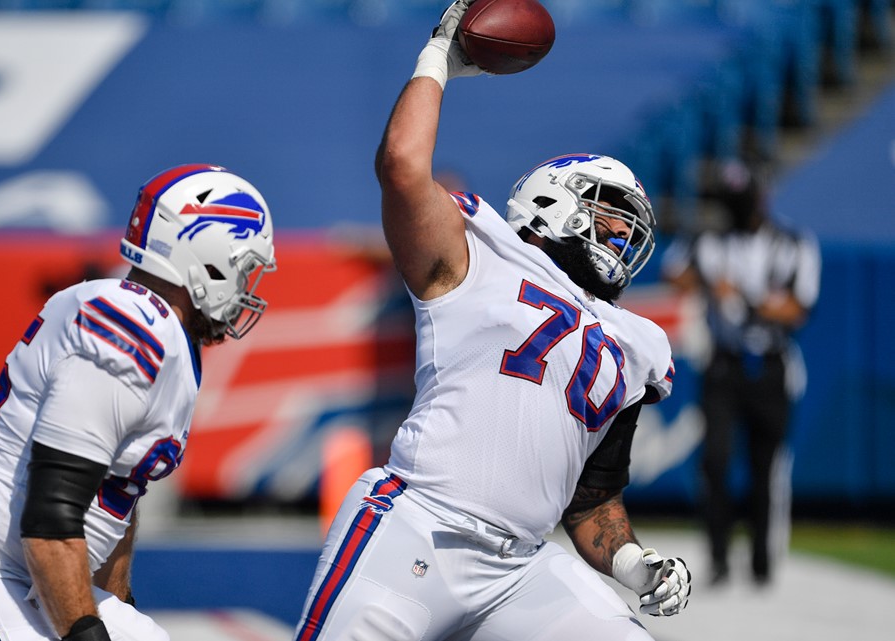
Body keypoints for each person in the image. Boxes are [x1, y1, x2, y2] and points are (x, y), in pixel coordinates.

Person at [294, 3, 691, 639]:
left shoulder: (636, 342)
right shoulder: (482, 252)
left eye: (629, 222)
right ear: (552, 201)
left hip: (520, 566)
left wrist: (637, 565)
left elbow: (592, 503)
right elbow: (401, 166)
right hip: (421, 528)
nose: (622, 231)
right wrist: (439, 60)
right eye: (610, 211)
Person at [0, 164, 277, 641]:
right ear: (206, 259)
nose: (245, 289)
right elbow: (50, 519)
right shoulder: (133, 328)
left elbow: (117, 495)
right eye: (242, 268)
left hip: (23, 569)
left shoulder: (159, 332)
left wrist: (121, 609)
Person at [662, 159, 820, 587]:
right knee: (715, 461)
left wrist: (745, 297)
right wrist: (710, 285)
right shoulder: (709, 238)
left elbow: (797, 308)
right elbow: (673, 270)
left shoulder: (792, 243)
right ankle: (717, 558)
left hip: (770, 365)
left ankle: (761, 560)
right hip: (725, 364)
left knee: (764, 467)